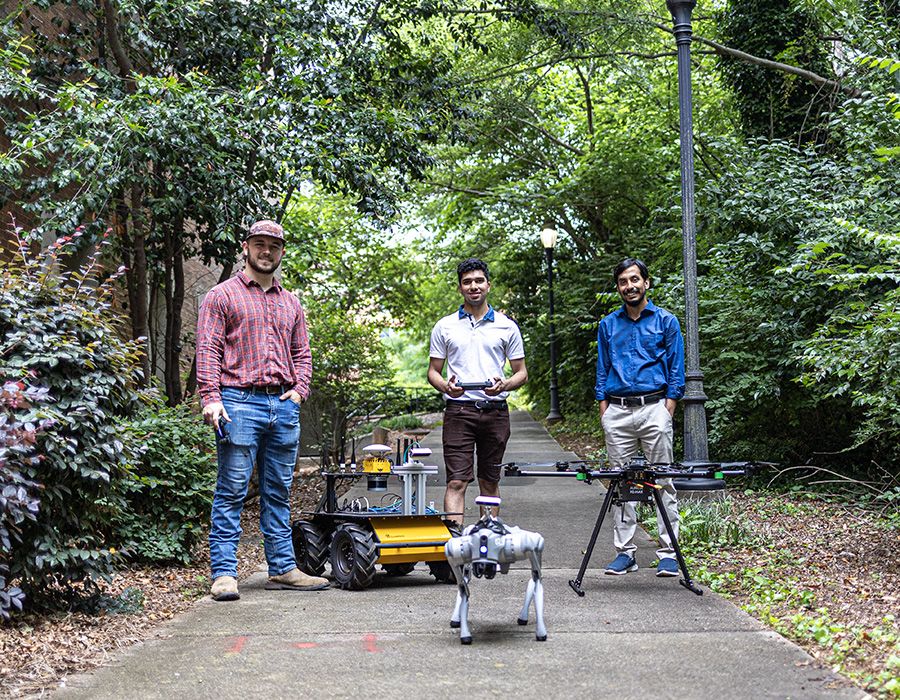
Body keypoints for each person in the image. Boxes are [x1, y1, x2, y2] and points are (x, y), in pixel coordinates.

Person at [196, 219, 329, 601]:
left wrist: (299, 391)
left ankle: (283, 569)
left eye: (273, 245)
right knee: (233, 489)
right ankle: (224, 574)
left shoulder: (291, 302)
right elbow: (207, 350)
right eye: (259, 244)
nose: (266, 251)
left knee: (279, 491)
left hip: (282, 406)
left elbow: (302, 354)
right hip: (238, 402)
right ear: (245, 247)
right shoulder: (222, 296)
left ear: (281, 251)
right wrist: (211, 397)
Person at [595, 258, 685, 577]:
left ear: (646, 282)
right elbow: (602, 370)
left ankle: (668, 552)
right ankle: (626, 553)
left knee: (663, 481)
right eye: (623, 281)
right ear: (618, 287)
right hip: (617, 411)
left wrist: (666, 410)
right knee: (621, 485)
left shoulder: (666, 321)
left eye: (635, 279)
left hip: (654, 408)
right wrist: (605, 413)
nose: (629, 286)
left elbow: (676, 371)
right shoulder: (608, 325)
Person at [428, 258, 528, 526]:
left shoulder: (507, 326)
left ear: (488, 285)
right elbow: (433, 371)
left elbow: (521, 372)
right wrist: (445, 386)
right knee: (457, 481)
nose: (474, 286)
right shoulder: (445, 326)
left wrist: (504, 384)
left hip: (495, 412)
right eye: (467, 282)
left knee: (489, 480)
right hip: (459, 411)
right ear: (460, 288)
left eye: (479, 280)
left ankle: (488, 540)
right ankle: (455, 547)